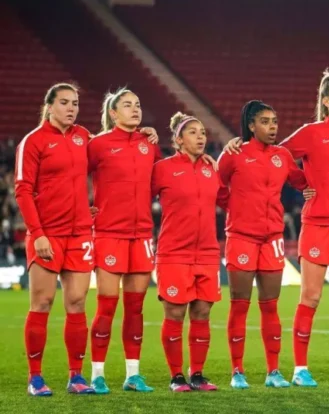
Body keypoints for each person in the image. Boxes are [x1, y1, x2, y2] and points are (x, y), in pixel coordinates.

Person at [225, 69, 329, 386]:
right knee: (311, 297)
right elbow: (277, 155)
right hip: (318, 223)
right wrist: (241, 145)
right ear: (326, 101)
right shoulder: (311, 132)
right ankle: (300, 369)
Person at [218, 101, 307, 389]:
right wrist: (235, 208)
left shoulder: (282, 155)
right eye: (265, 122)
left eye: (274, 121)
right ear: (251, 125)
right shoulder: (234, 154)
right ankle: (237, 372)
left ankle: (273, 372)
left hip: (272, 239)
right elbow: (215, 185)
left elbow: (302, 181)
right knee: (239, 305)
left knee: (270, 306)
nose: (272, 127)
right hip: (241, 237)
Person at [16, 83, 96, 395]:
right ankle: (35, 378)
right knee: (43, 301)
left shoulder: (83, 136)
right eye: (64, 102)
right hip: (47, 233)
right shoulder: (33, 141)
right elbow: (23, 190)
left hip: (80, 234)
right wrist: (37, 234)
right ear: (49, 106)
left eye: (75, 103)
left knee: (76, 302)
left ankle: (76, 377)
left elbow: (112, 158)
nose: (71, 108)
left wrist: (143, 135)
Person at [87, 88, 160, 394]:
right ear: (113, 113)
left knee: (135, 309)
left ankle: (133, 374)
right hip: (109, 234)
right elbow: (72, 176)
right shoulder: (98, 144)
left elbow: (163, 178)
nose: (135, 109)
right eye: (127, 105)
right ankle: (97, 375)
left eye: (138, 104)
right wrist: (82, 207)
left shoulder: (149, 144)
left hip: (141, 234)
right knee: (106, 307)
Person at [152, 112, 228, 392]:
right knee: (175, 313)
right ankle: (176, 376)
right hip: (173, 252)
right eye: (193, 132)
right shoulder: (162, 169)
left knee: (202, 312)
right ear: (179, 139)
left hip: (207, 252)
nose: (200, 137)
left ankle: (197, 374)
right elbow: (138, 197)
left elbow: (229, 200)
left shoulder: (212, 169)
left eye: (203, 133)